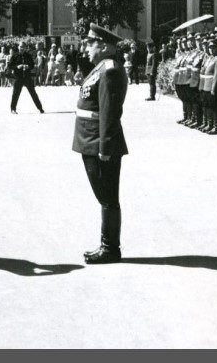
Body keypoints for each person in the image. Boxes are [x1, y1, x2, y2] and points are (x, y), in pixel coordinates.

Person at [72, 24, 129, 264]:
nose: (85, 47)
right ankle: (107, 246)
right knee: (104, 197)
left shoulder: (110, 70)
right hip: (90, 139)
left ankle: (110, 248)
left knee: (107, 197)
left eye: (89, 43)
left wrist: (105, 147)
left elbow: (109, 112)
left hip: (99, 143)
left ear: (103, 46)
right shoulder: (101, 67)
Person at [9, 42, 44, 114]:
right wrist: (17, 67)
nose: (21, 48)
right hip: (18, 77)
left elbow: (32, 65)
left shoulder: (28, 55)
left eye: (23, 47)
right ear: (18, 47)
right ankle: (13, 109)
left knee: (33, 93)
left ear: (25, 48)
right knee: (15, 93)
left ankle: (40, 108)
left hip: (27, 77)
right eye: (20, 46)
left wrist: (28, 66)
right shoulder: (15, 56)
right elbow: (10, 66)